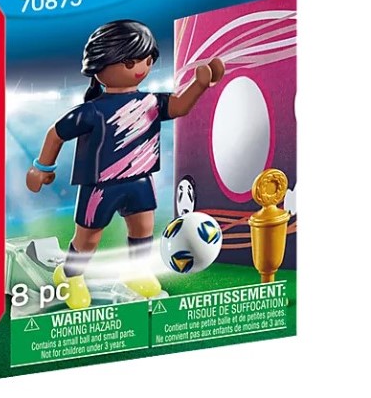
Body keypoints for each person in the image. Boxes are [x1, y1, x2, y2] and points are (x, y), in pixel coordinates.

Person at [26, 20, 224, 309]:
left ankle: (136, 272)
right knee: (88, 238)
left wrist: (200, 84)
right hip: (100, 186)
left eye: (147, 60)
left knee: (143, 229)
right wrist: (42, 168)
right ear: (99, 67)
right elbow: (56, 133)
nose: (141, 68)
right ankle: (70, 275)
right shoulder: (92, 111)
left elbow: (180, 106)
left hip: (140, 179)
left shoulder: (152, 102)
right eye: (130, 62)